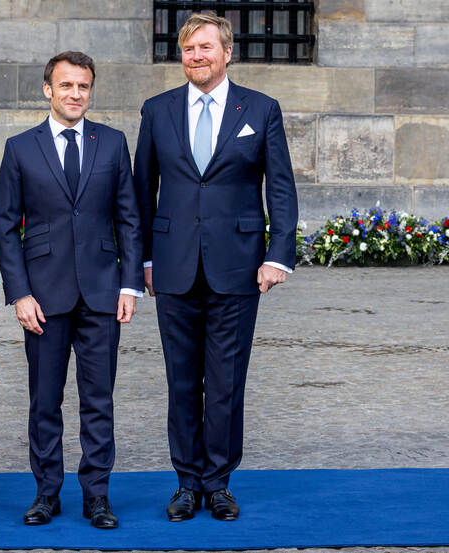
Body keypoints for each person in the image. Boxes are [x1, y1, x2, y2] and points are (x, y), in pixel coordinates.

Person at [133, 12, 298, 522]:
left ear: (227, 53)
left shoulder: (261, 109)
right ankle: (186, 483)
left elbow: (282, 187)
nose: (197, 57)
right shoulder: (157, 111)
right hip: (174, 267)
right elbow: (143, 191)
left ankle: (220, 483)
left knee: (226, 380)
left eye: (206, 47)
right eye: (188, 49)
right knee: (181, 380)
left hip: (239, 267)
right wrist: (143, 258)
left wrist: (278, 255)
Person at [0, 51, 143, 530]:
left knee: (98, 398)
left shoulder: (114, 143)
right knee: (45, 399)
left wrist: (129, 285)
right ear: (48, 90)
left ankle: (97, 495)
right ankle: (46, 493)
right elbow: (5, 228)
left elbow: (128, 217)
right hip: (43, 294)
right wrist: (19, 294)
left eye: (83, 86)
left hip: (103, 291)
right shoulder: (20, 148)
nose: (75, 94)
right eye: (66, 86)